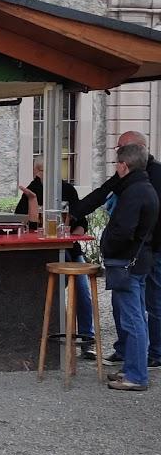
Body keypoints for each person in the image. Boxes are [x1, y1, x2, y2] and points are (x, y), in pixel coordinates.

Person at [70, 130, 161, 369]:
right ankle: (129, 356)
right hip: (136, 254)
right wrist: (74, 212)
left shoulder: (145, 183)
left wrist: (110, 248)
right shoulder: (130, 179)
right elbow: (102, 193)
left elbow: (127, 227)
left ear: (135, 152)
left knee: (147, 308)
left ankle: (148, 361)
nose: (116, 152)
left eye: (121, 149)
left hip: (143, 252)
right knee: (129, 309)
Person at [91, 143, 159, 391]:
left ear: (123, 165)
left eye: (116, 164)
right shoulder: (145, 187)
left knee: (132, 321)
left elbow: (123, 230)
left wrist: (109, 246)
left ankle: (136, 375)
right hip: (137, 262)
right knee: (136, 317)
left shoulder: (135, 191)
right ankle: (132, 369)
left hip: (127, 263)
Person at [16, 160, 94, 351]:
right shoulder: (31, 192)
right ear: (36, 171)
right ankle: (60, 334)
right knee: (58, 289)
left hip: (71, 250)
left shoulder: (67, 189)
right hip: (46, 253)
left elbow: (82, 220)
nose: (48, 174)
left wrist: (74, 235)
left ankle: (87, 339)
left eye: (52, 169)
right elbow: (20, 222)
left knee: (83, 291)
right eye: (43, 170)